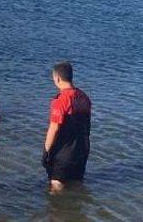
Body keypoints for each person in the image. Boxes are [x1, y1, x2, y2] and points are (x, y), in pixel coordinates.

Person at [42, 62, 92, 192]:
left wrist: (46, 151)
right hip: (82, 150)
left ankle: (57, 211)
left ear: (57, 78)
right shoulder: (84, 97)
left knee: (56, 187)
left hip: (64, 152)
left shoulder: (60, 100)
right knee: (76, 185)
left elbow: (54, 128)